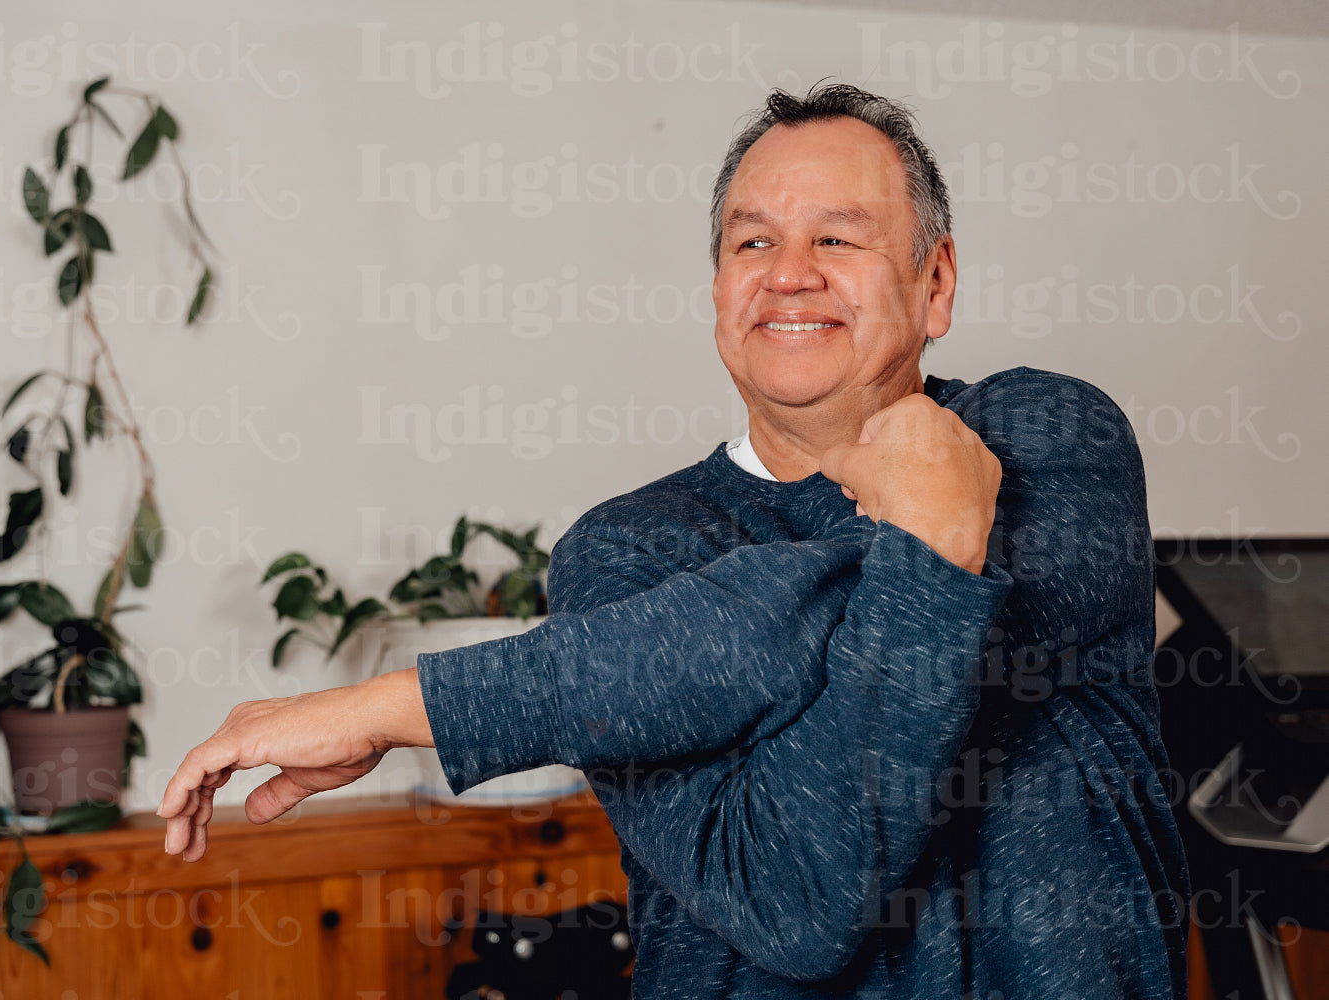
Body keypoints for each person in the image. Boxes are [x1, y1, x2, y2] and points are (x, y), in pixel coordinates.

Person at [158, 82, 1190, 998]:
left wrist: (400, 706)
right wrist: (932, 537)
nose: (789, 273)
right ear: (716, 294)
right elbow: (798, 898)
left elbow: (751, 635)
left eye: (839, 237)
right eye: (753, 242)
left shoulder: (1057, 439)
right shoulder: (627, 553)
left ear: (936, 284)